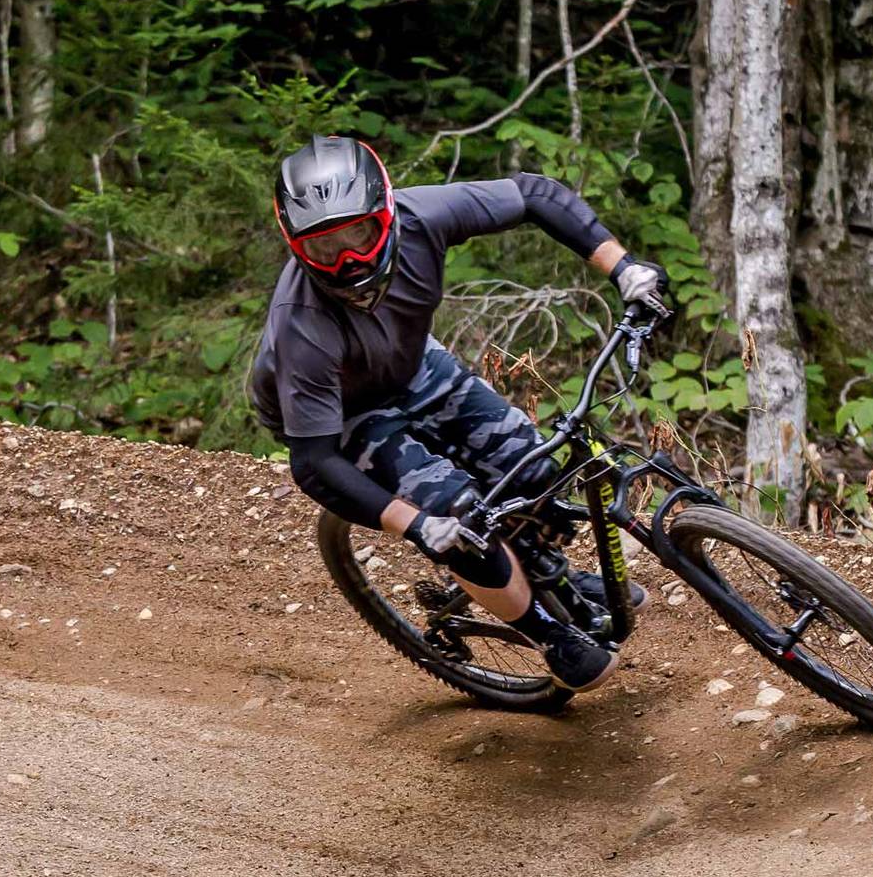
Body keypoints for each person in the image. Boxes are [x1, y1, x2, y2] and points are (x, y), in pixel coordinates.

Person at [248, 136, 670, 693]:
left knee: (534, 469)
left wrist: (624, 269)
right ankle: (548, 635)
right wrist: (417, 525)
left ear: (386, 213)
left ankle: (549, 572)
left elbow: (533, 194)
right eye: (325, 248)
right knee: (461, 523)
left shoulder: (423, 216)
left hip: (410, 362)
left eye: (359, 235)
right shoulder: (302, 324)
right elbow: (314, 462)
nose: (348, 259)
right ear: (296, 246)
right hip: (340, 414)